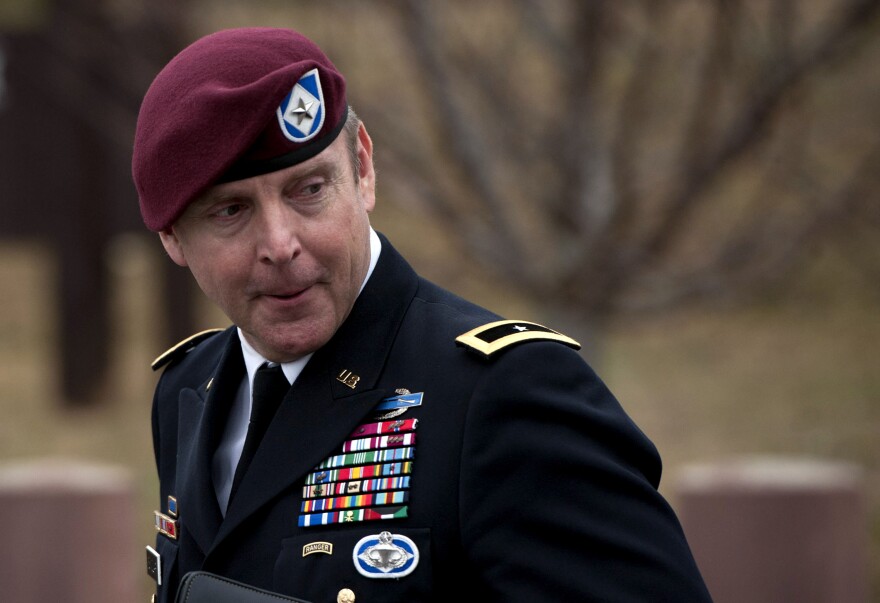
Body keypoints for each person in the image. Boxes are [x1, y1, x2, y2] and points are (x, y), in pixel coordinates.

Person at [133, 26, 713, 603]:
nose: (280, 244)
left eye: (308, 189)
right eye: (231, 211)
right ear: (172, 239)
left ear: (361, 168)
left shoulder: (504, 395)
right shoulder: (191, 386)